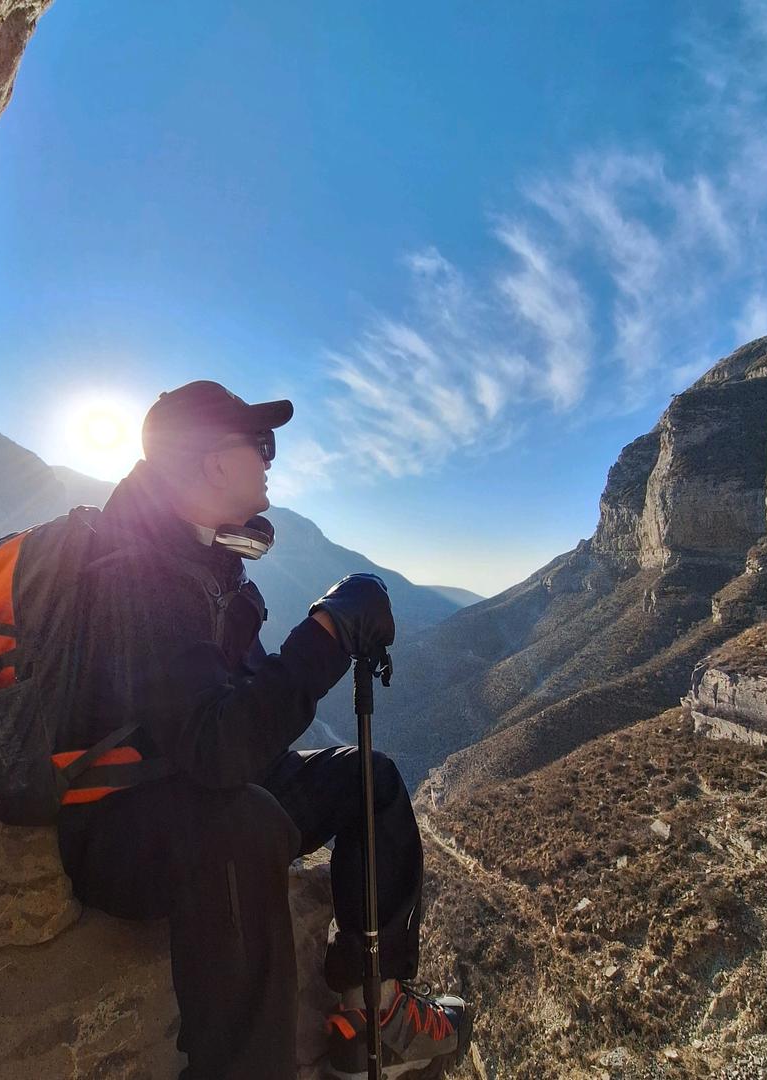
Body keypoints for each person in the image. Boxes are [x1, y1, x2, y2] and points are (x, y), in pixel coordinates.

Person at [56, 380, 472, 1080]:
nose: (271, 459)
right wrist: (328, 635)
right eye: (261, 444)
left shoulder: (208, 563)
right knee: (242, 822)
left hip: (188, 787)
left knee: (367, 778)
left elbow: (238, 722)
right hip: (119, 827)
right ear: (215, 462)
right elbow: (217, 749)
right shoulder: (136, 574)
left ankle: (375, 1011)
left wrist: (316, 647)